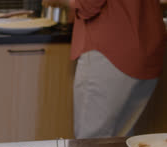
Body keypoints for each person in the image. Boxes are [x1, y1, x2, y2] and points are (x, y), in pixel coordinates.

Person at [42, 0, 166, 139]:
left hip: (110, 49)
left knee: (91, 145)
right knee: (117, 145)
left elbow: (89, 4)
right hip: (145, 44)